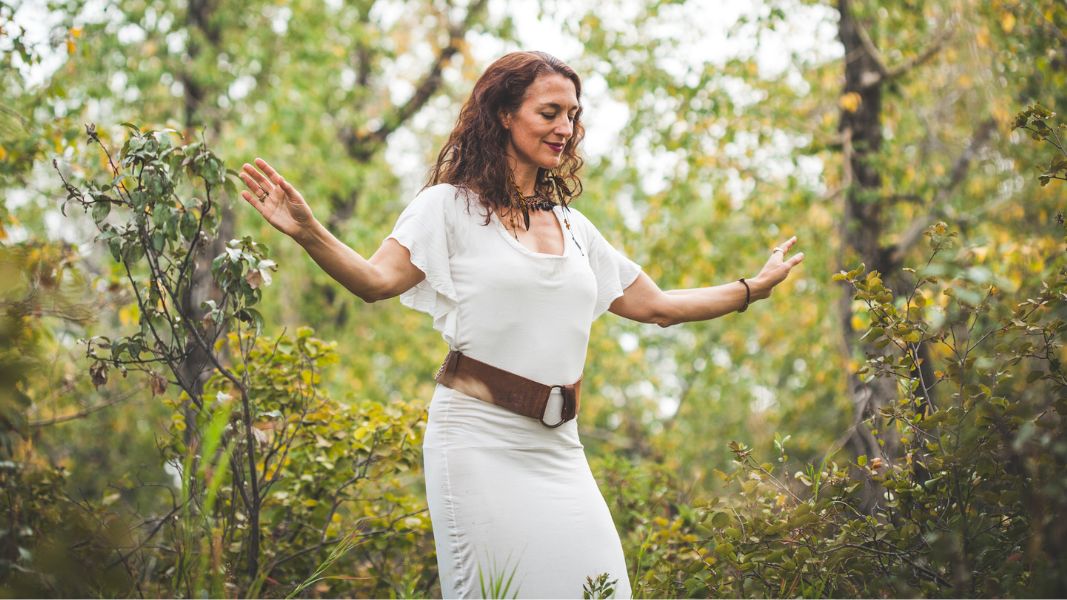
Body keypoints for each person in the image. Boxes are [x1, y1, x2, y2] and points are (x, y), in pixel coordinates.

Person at [238, 50, 803, 599]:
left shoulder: (575, 228)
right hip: (477, 440)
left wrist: (752, 287)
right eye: (549, 112)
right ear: (504, 115)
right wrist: (310, 231)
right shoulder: (446, 208)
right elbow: (373, 281)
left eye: (573, 115)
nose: (565, 127)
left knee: (600, 589)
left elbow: (656, 306)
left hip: (559, 447)